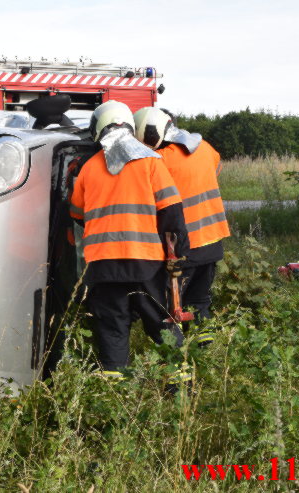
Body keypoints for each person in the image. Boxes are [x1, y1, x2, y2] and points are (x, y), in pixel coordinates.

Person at [69, 100, 189, 379]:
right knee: (161, 322)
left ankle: (114, 389)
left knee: (111, 326)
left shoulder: (88, 167)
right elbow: (172, 212)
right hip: (145, 261)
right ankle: (179, 383)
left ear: (97, 128)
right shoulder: (150, 162)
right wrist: (179, 253)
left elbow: (77, 214)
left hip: (102, 265)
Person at [133, 107, 230, 345]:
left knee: (166, 307)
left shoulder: (159, 160)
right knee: (199, 301)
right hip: (213, 240)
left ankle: (174, 356)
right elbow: (215, 170)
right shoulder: (205, 149)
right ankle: (204, 350)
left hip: (184, 247)